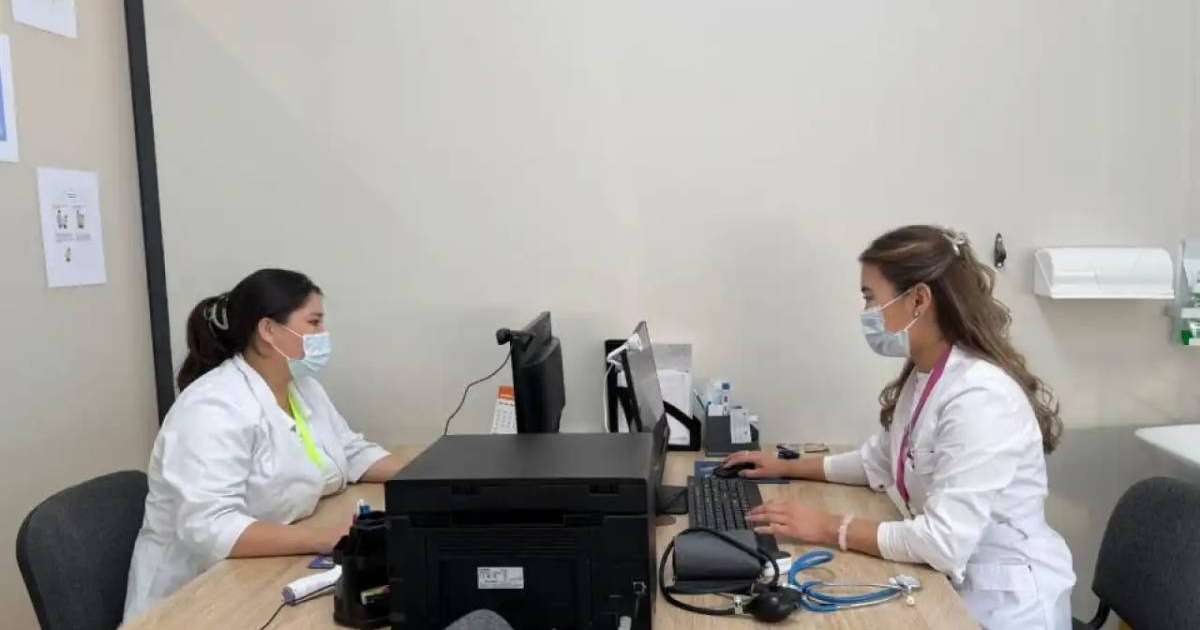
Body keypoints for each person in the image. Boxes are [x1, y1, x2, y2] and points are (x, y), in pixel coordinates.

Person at [725, 226, 1075, 629]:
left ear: (919, 300)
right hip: (953, 587)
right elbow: (879, 460)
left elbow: (943, 543)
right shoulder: (928, 374)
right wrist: (785, 465)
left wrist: (826, 527)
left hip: (1006, 607)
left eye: (870, 298)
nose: (866, 313)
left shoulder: (980, 398)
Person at [124, 269, 407, 621]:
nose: (324, 334)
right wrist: (323, 538)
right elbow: (212, 528)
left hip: (266, 571)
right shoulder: (212, 407)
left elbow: (348, 452)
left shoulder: (300, 387)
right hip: (193, 598)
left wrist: (429, 474)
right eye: (314, 322)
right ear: (269, 330)